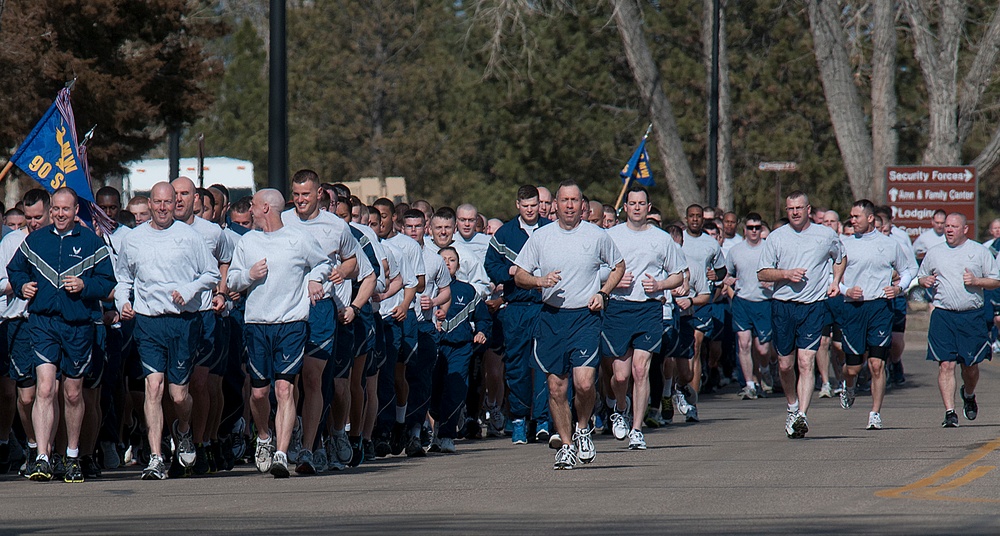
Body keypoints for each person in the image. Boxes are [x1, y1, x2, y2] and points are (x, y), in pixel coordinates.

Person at [514, 180, 624, 470]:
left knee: (585, 383)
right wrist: (540, 281)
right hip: (552, 318)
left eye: (575, 200)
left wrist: (603, 293)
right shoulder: (541, 237)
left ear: (582, 205)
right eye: (564, 200)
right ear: (555, 205)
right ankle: (565, 445)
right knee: (555, 388)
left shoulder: (597, 235)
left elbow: (619, 266)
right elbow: (519, 275)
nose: (570, 205)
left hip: (585, 317)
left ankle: (583, 428)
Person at [114, 182, 220, 480]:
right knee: (154, 387)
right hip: (148, 322)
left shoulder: (190, 236)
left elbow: (211, 274)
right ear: (150, 204)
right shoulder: (134, 239)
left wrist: (188, 290)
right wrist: (123, 302)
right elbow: (123, 279)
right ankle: (156, 457)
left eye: (168, 202)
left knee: (177, 395)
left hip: (183, 322)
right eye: (157, 202)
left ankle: (183, 430)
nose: (162, 207)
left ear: (176, 204)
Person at [9, 188, 116, 482]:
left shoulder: (91, 242)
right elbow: (16, 269)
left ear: (75, 211)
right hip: (43, 323)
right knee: (44, 388)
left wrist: (85, 287)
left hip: (78, 325)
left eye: (65, 209)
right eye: (55, 208)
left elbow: (108, 282)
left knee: (72, 393)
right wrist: (23, 287)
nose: (59, 214)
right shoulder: (36, 240)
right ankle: (42, 457)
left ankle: (71, 456)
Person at [228, 188, 332, 477]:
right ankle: (263, 437)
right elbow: (232, 280)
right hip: (258, 323)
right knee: (260, 393)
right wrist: (249, 275)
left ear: (265, 208)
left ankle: (282, 453)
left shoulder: (297, 238)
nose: (249, 210)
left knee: (284, 388)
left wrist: (313, 279)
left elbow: (323, 262)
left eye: (253, 205)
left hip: (291, 323)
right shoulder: (248, 241)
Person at [282, 170, 361, 473]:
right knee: (289, 381)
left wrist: (343, 271)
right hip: (287, 306)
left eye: (306, 194)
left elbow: (353, 261)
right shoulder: (283, 221)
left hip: (320, 308)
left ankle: (307, 449)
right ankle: (296, 428)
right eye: (296, 194)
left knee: (314, 378)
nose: (300, 200)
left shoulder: (336, 225)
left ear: (319, 195)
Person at [757, 191, 845, 439]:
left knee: (806, 362)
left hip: (813, 306)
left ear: (808, 209)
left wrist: (836, 280)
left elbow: (841, 258)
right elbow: (762, 273)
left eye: (799, 208)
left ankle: (802, 416)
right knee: (785, 364)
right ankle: (792, 406)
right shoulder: (776, 237)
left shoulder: (825, 235)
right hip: (783, 305)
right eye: (790, 209)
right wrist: (786, 274)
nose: (795, 212)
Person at [601, 186, 684, 450]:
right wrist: (612, 279)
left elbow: (679, 274)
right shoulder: (610, 236)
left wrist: (660, 285)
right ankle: (620, 409)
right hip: (618, 308)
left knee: (640, 370)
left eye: (641, 203)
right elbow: (595, 268)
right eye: (632, 203)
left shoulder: (661, 239)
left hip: (648, 309)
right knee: (621, 375)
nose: (637, 208)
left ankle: (637, 429)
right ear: (624, 207)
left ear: (649, 208)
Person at [917, 213, 1000, 427]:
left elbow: (995, 280)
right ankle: (950, 412)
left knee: (970, 366)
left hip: (971, 316)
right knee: (945, 364)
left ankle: (969, 394)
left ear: (965, 229)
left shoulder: (979, 251)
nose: (949, 230)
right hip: (944, 315)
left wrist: (976, 280)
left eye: (954, 226)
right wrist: (923, 280)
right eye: (946, 226)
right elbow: (922, 276)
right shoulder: (935, 253)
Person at [837, 200, 913, 430]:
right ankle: (848, 384)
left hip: (880, 307)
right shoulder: (844, 244)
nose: (852, 220)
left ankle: (875, 413)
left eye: (856, 216)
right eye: (851, 216)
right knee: (853, 367)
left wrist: (900, 288)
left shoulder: (889, 244)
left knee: (877, 364)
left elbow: (909, 269)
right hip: (853, 307)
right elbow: (831, 277)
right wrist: (846, 290)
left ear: (870, 218)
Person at [485, 186, 552, 445]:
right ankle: (519, 420)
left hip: (544, 306)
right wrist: (509, 272)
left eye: (535, 205)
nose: (531, 210)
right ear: (518, 206)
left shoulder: (550, 230)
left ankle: (543, 420)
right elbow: (491, 264)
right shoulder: (505, 234)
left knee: (544, 364)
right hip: (516, 308)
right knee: (516, 366)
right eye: (526, 206)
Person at [0, 190, 50, 476]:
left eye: (37, 217)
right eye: (27, 218)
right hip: (18, 323)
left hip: (50, 323)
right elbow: (1, 281)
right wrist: (18, 286)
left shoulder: (57, 241)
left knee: (51, 391)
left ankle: (49, 451)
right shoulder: (11, 243)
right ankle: (32, 443)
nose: (31, 223)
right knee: (26, 396)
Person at [429, 247, 491, 453]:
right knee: (432, 391)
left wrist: (481, 331)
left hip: (460, 348)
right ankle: (435, 431)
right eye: (443, 260)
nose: (447, 263)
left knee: (455, 390)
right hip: (435, 348)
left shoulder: (467, 290)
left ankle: (447, 435)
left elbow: (483, 317)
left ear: (458, 264)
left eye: (452, 260)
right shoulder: (429, 290)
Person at [723, 213, 773, 400]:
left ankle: (765, 369)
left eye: (757, 227)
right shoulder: (735, 250)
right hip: (742, 302)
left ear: (761, 229)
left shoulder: (769, 248)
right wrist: (728, 281)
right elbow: (727, 274)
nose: (754, 231)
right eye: (750, 227)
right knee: (744, 343)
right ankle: (750, 384)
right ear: (744, 230)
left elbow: (779, 272)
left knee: (763, 349)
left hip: (764, 302)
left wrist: (773, 283)